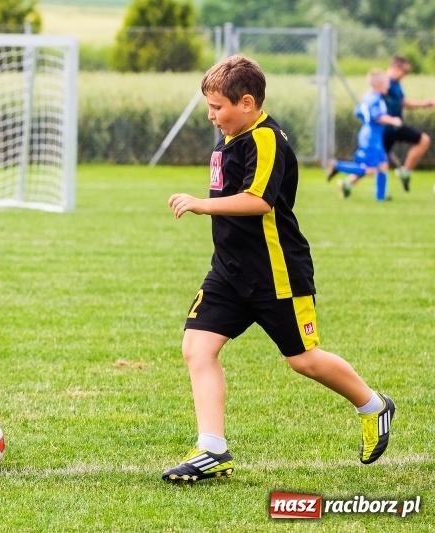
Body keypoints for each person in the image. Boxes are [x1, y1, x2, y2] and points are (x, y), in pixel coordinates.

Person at [163, 55, 395, 484]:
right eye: (209, 107)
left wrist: (201, 204)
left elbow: (259, 201)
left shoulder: (266, 140)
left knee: (303, 359)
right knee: (197, 347)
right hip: (229, 272)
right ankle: (212, 449)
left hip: (276, 272)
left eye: (218, 107)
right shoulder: (230, 137)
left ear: (247, 102)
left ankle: (373, 405)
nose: (212, 116)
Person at [326, 69, 401, 201]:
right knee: (370, 170)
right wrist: (393, 120)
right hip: (371, 138)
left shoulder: (370, 96)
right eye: (386, 83)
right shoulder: (375, 98)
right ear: (378, 84)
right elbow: (377, 117)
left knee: (383, 165)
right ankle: (337, 165)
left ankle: (381, 198)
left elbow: (359, 112)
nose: (388, 86)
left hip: (372, 135)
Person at [382, 55, 435, 192]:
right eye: (404, 72)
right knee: (374, 164)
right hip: (385, 127)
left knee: (422, 140)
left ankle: (405, 172)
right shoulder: (384, 82)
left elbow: (403, 102)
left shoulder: (396, 84)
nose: (404, 76)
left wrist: (425, 103)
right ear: (395, 68)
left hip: (395, 127)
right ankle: (346, 179)